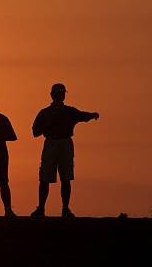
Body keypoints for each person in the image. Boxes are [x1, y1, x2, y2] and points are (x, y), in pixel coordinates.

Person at [30, 83, 99, 218]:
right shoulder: (46, 113)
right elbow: (35, 132)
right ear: (52, 95)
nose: (60, 95)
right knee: (45, 177)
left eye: (62, 93)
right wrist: (48, 124)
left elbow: (82, 116)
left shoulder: (69, 111)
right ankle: (42, 208)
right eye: (58, 93)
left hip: (65, 143)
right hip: (51, 143)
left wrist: (92, 115)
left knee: (66, 177)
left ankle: (65, 209)